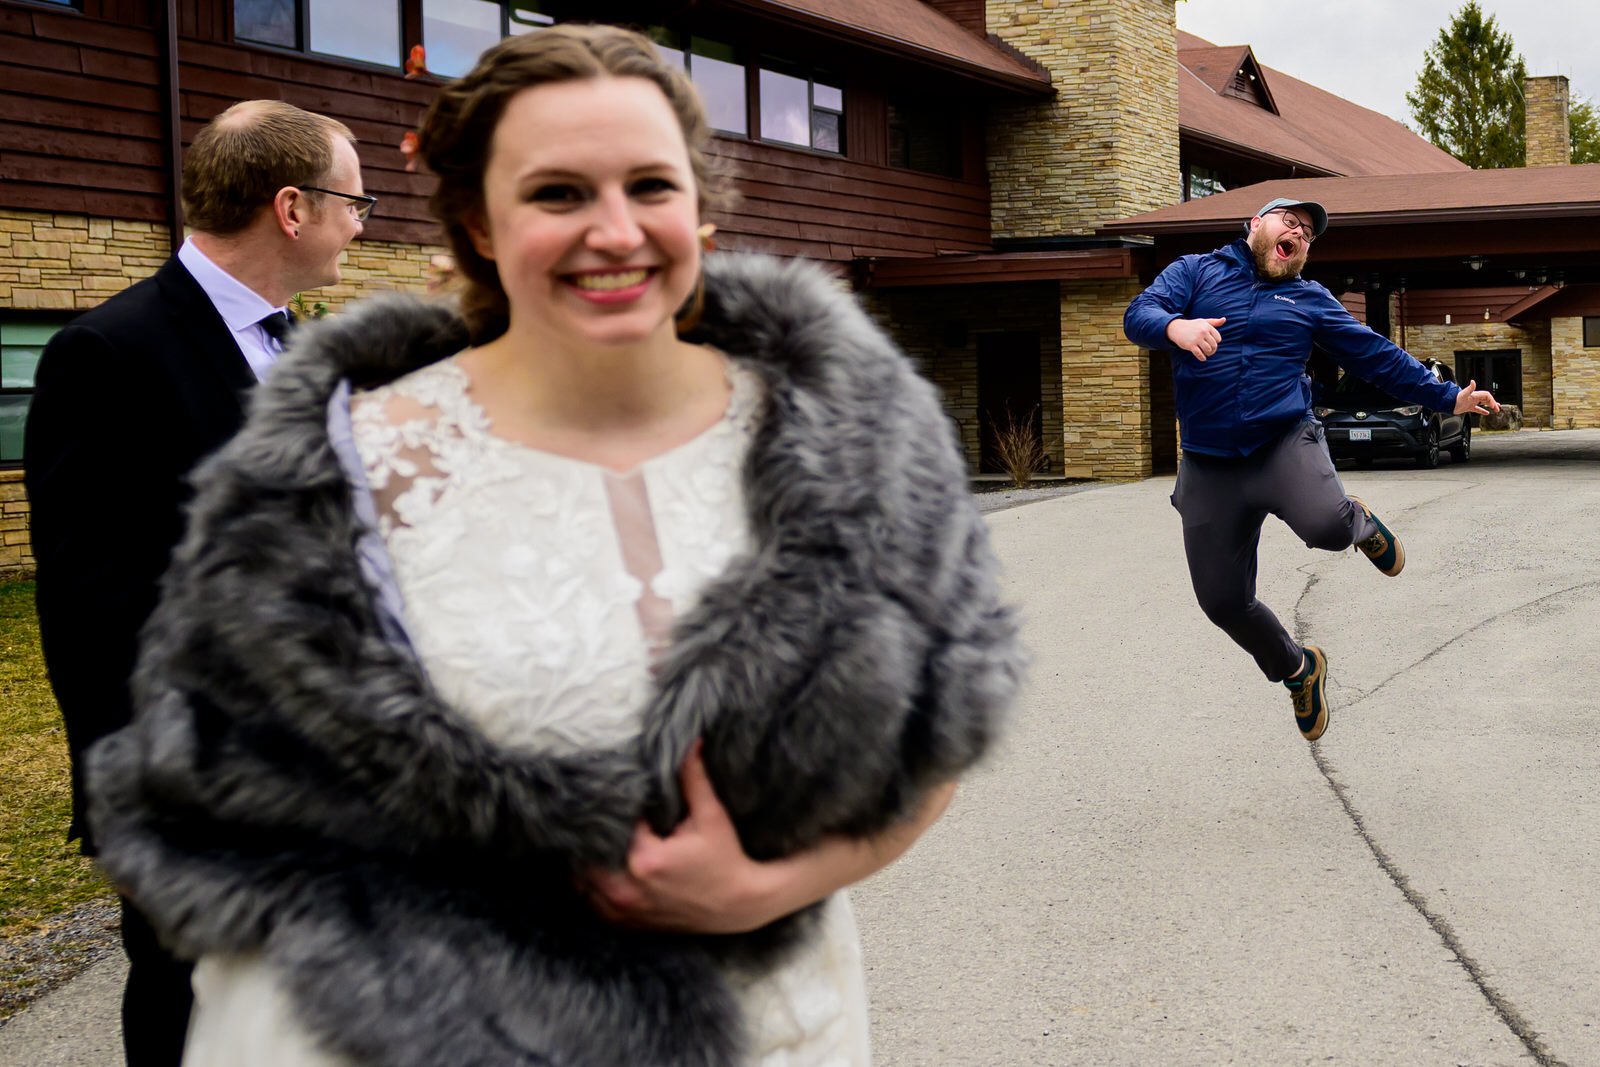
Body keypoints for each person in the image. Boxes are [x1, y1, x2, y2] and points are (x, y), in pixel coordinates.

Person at [85, 25, 1023, 1067]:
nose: (615, 230)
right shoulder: (346, 466)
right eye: (558, 193)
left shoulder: (849, 439)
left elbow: (938, 734)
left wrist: (765, 886)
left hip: (781, 1022)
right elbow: (239, 815)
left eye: (651, 186)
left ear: (701, 209)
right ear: (479, 221)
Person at [22, 100, 368, 1066]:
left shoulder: (296, 350)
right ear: (292, 208)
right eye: (355, 200)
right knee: (193, 1011)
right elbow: (94, 612)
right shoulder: (110, 354)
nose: (363, 221)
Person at [1124, 197, 1497, 742]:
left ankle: (1356, 521)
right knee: (1223, 601)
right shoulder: (1194, 272)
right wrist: (1176, 328)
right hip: (1208, 463)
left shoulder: (1308, 298)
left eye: (1306, 234)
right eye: (1287, 222)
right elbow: (1139, 314)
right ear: (1255, 225)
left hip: (1282, 442)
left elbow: (1374, 355)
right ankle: (1300, 669)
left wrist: (1448, 398)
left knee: (1325, 527)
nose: (1297, 234)